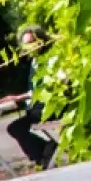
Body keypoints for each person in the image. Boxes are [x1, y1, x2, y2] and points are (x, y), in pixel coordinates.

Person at [7, 27, 59, 170]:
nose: (29, 47)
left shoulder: (50, 59)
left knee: (16, 127)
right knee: (15, 127)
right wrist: (19, 97)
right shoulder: (34, 62)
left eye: (32, 42)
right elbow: (33, 90)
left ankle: (45, 152)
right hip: (37, 109)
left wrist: (21, 97)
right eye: (26, 44)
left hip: (49, 108)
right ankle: (45, 153)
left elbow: (51, 85)